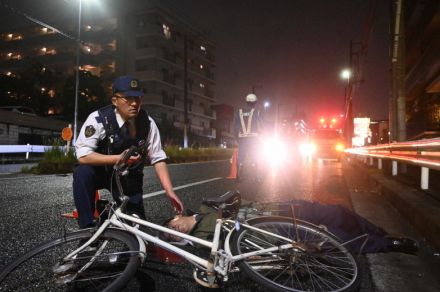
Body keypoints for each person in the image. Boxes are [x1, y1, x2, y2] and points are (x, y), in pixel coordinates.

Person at [73, 75, 184, 228]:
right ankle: (86, 228)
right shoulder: (99, 119)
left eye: (138, 98)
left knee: (137, 228)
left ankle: (115, 216)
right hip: (101, 172)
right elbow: (83, 156)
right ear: (115, 101)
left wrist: (169, 191)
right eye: (128, 98)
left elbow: (158, 158)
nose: (134, 104)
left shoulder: (148, 123)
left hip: (129, 178)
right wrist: (119, 158)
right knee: (82, 172)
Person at [163, 199, 419, 254]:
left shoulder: (205, 206)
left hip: (278, 208)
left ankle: (378, 231)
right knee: (333, 238)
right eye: (174, 238)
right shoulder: (205, 237)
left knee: (336, 210)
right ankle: (390, 244)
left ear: (176, 217)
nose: (177, 233)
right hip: (273, 230)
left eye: (172, 228)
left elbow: (233, 198)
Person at [234, 93, 264, 180]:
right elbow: (262, 125)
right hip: (254, 139)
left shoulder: (238, 112)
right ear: (255, 102)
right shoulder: (257, 112)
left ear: (246, 102)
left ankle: (239, 176)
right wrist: (263, 134)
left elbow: (235, 126)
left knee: (241, 156)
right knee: (254, 156)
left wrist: (236, 138)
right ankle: (255, 177)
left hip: (242, 139)